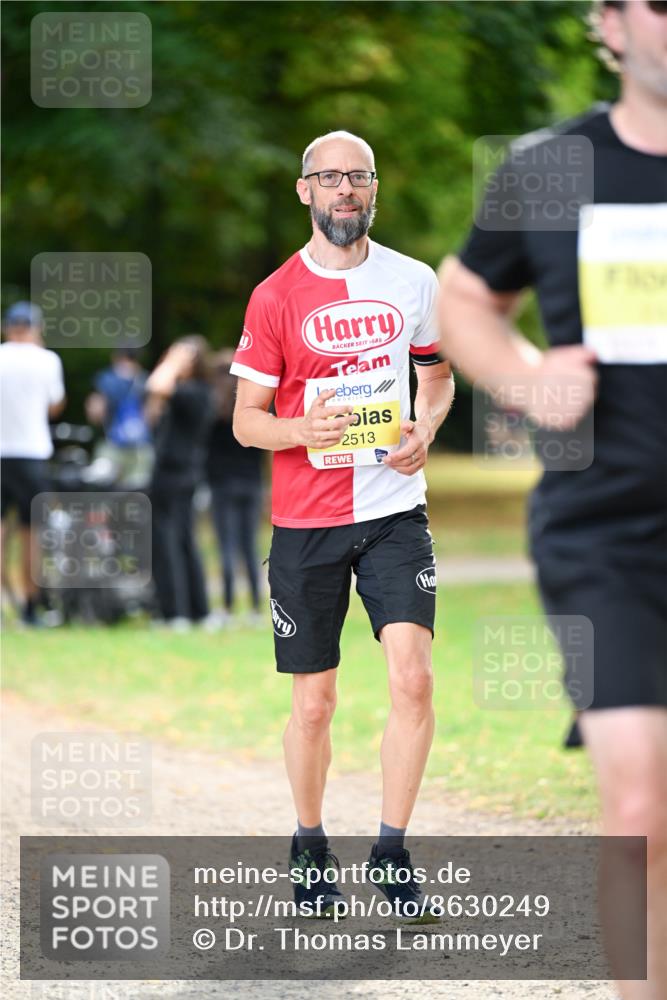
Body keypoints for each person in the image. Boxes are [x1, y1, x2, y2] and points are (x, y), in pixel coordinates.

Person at [438, 3, 666, 996]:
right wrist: (528, 381)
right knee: (637, 796)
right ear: (607, 24)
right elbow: (463, 299)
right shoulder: (550, 167)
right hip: (605, 530)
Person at [231, 130, 455, 918]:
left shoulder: (413, 280)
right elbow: (245, 422)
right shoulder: (274, 295)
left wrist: (426, 425)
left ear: (373, 189)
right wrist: (303, 432)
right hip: (305, 521)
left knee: (413, 678)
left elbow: (436, 374)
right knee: (314, 704)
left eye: (357, 177)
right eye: (328, 179)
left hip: (394, 512)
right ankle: (309, 842)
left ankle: (391, 853)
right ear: (305, 192)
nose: (344, 191)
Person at [0, 302, 66, 625]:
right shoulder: (47, 360)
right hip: (32, 453)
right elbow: (55, 405)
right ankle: (30, 606)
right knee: (32, 533)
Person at [145, 336, 213, 630]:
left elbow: (157, 384)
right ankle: (197, 611)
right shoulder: (199, 392)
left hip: (172, 474)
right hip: (186, 474)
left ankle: (174, 613)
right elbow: (152, 408)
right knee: (184, 540)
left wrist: (173, 360)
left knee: (166, 541)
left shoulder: (192, 392)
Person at [206, 350, 264, 626]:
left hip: (221, 485)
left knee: (227, 546)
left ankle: (228, 608)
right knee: (250, 546)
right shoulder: (252, 409)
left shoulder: (212, 410)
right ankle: (254, 607)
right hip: (252, 482)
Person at [85, 347, 153, 488]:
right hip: (141, 448)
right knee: (136, 493)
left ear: (116, 356)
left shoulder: (107, 378)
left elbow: (96, 413)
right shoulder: (146, 379)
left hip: (111, 444)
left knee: (102, 490)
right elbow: (151, 415)